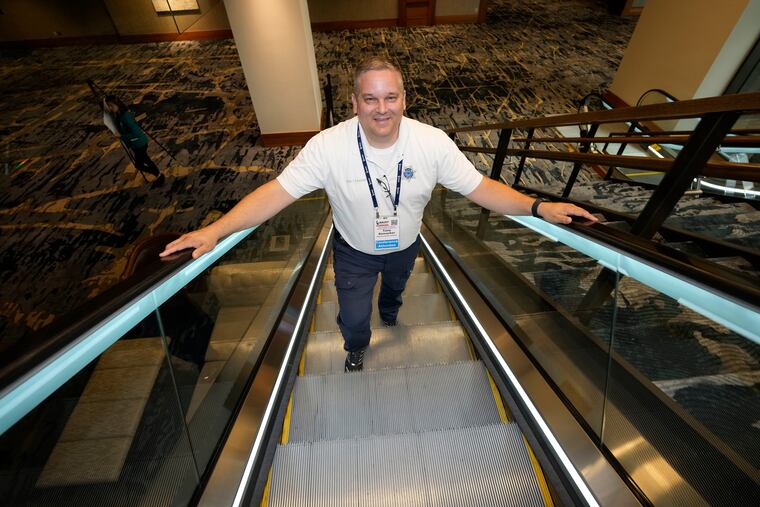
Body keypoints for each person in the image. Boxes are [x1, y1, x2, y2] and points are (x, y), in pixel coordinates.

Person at [160, 57, 597, 372]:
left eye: (391, 97)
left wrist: (537, 206)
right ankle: (356, 347)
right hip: (352, 251)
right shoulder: (327, 147)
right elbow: (276, 192)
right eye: (371, 98)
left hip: (406, 245)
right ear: (355, 102)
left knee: (396, 291)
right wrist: (215, 230)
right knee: (352, 316)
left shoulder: (433, 143)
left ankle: (390, 311)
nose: (382, 108)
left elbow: (482, 188)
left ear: (405, 98)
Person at [104, 95, 165, 186]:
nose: (110, 108)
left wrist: (121, 136)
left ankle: (159, 175)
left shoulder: (125, 116)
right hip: (136, 143)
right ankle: (158, 175)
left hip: (139, 143)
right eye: (108, 106)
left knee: (139, 165)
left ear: (117, 104)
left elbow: (135, 133)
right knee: (146, 160)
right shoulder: (120, 114)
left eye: (111, 105)